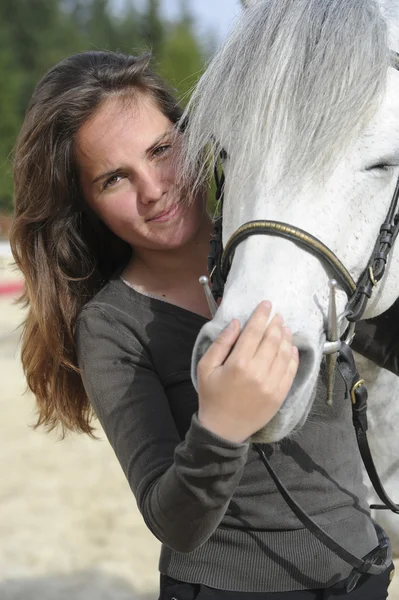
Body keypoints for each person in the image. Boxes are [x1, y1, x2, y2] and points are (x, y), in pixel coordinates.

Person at [10, 50, 397, 600]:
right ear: (86, 204)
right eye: (115, 178)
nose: (153, 189)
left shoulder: (292, 261)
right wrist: (222, 425)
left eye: (161, 150)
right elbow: (174, 522)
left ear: (192, 138)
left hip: (362, 574)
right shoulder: (114, 325)